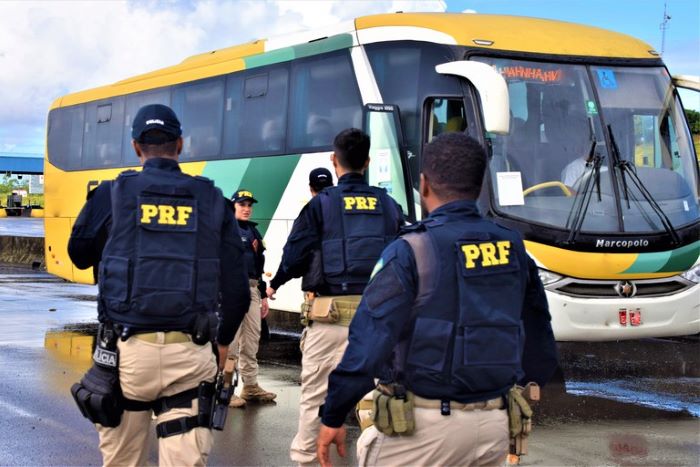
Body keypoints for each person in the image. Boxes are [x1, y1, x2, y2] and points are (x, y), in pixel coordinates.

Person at [316, 133, 559, 467]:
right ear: (480, 184)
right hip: (494, 426)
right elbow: (538, 334)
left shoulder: (411, 250)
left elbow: (368, 342)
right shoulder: (514, 247)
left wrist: (333, 413)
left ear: (424, 185)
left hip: (422, 429)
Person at [68, 104, 251, 466]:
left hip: (123, 356)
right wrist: (221, 346)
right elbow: (237, 292)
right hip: (191, 353)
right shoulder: (212, 200)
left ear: (136, 147)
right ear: (180, 144)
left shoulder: (111, 194)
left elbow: (78, 254)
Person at [266, 129, 403, 466]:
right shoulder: (388, 205)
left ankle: (309, 461)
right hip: (376, 324)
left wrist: (275, 284)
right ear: (368, 162)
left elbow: (294, 258)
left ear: (334, 160)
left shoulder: (320, 206)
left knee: (315, 401)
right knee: (376, 404)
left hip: (329, 322)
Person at [227, 188, 277, 408]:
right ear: (233, 206)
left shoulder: (254, 232)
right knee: (230, 341)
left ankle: (250, 386)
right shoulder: (224, 229)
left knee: (252, 338)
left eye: (249, 205)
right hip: (231, 290)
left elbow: (259, 265)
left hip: (253, 289)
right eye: (242, 205)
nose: (247, 209)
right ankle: (225, 390)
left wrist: (263, 294)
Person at [268, 167, 334, 294]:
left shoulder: (310, 211)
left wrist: (274, 284)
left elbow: (293, 258)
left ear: (310, 188)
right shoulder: (348, 207)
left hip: (323, 289)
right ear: (333, 185)